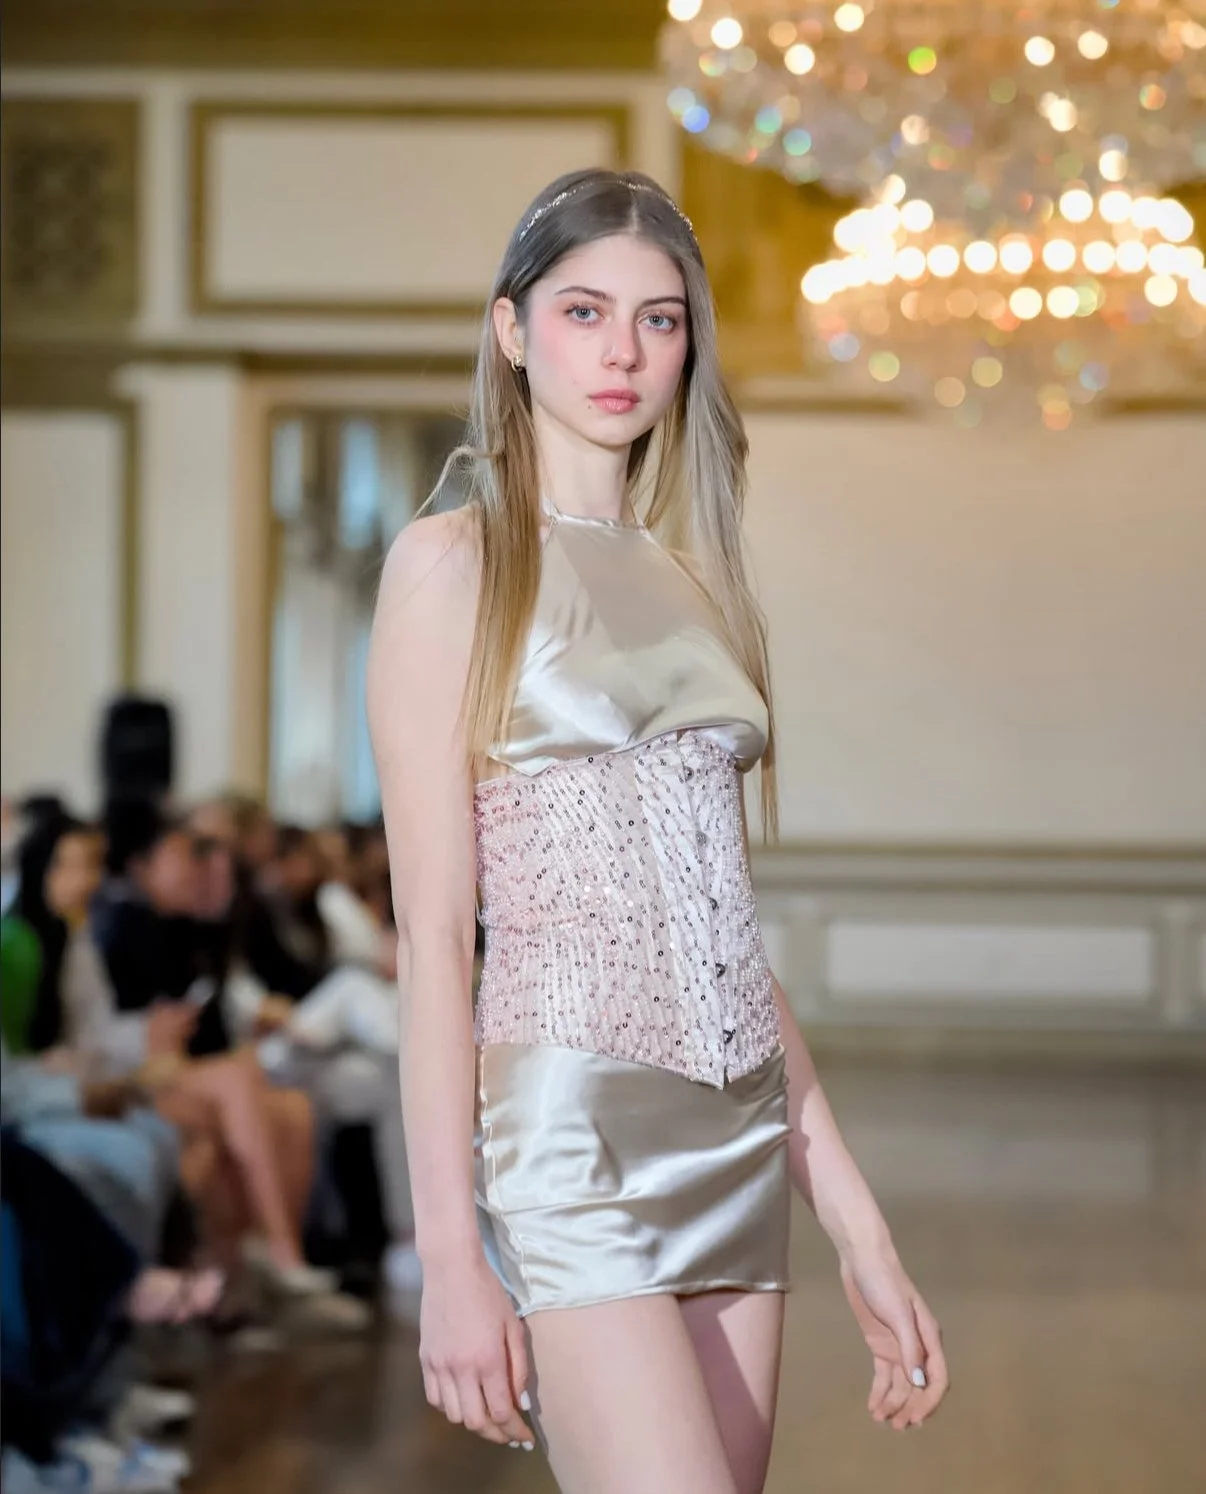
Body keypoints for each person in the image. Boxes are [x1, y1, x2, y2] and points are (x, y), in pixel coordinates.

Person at [366, 168, 950, 1493]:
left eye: (659, 318)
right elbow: (434, 937)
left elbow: (722, 936)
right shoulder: (452, 561)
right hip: (571, 1137)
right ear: (511, 329)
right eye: (582, 311)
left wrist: (854, 1218)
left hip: (739, 1133)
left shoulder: (691, 578)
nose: (623, 352)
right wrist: (451, 1258)